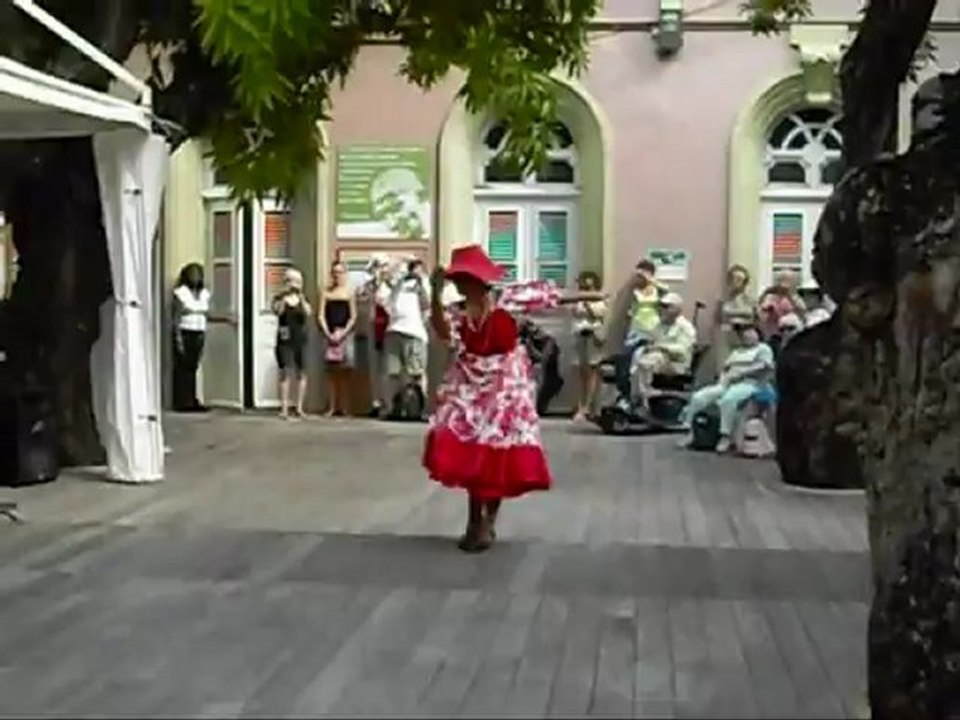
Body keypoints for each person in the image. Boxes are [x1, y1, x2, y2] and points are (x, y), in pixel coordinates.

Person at [423, 244, 602, 553]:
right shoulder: (457, 311)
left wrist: (590, 296)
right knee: (471, 454)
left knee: (498, 453)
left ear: (479, 280)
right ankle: (474, 521)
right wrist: (436, 296)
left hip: (505, 386)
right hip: (470, 385)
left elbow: (550, 296)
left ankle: (486, 522)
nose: (461, 286)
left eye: (464, 279)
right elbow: (442, 333)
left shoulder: (506, 299)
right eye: (457, 281)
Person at [681, 322, 775, 453]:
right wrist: (723, 379)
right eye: (744, 333)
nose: (747, 335)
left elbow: (765, 366)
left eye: (750, 332)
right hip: (727, 383)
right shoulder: (737, 351)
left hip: (750, 384)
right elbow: (725, 369)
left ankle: (725, 436)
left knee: (728, 400)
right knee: (699, 397)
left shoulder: (763, 349)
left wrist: (742, 372)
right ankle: (691, 431)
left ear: (757, 334)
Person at [379, 257, 430, 418]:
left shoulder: (423, 284)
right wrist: (398, 281)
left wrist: (420, 283)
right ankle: (394, 408)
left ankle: (418, 409)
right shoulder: (390, 287)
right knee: (393, 373)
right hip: (394, 331)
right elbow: (387, 305)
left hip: (414, 332)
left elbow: (427, 304)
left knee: (416, 372)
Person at [631, 292, 697, 406]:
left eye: (667, 307)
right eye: (661, 306)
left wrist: (661, 347)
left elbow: (682, 350)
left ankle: (645, 394)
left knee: (650, 360)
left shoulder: (685, 327)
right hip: (658, 360)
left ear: (677, 309)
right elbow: (651, 338)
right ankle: (635, 399)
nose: (663, 309)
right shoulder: (659, 324)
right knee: (637, 356)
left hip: (676, 363)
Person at [171, 263, 211, 413]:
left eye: (198, 274)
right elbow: (175, 317)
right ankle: (182, 401)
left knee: (194, 367)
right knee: (183, 367)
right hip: (185, 331)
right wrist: (178, 338)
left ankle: (193, 399)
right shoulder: (181, 293)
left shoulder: (204, 294)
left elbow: (207, 313)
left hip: (199, 331)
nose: (195, 277)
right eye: (192, 274)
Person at [272, 267, 311, 419]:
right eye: (289, 280)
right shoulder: (279, 298)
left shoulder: (302, 299)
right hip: (285, 338)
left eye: (295, 281)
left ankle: (299, 407)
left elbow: (308, 312)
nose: (292, 284)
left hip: (300, 338)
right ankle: (284, 408)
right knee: (285, 372)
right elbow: (278, 311)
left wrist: (300, 295)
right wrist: (283, 295)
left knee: (301, 372)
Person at [319, 260, 356, 417]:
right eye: (334, 272)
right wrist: (328, 333)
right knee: (331, 372)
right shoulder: (326, 292)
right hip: (330, 334)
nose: (337, 276)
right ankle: (332, 406)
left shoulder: (349, 292)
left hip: (345, 335)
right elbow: (320, 315)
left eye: (340, 272)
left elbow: (353, 316)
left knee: (345, 372)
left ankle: (344, 407)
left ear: (345, 274)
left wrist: (343, 332)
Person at [572, 270, 607, 420]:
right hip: (581, 335)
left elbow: (598, 315)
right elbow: (575, 312)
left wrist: (588, 305)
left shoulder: (600, 300)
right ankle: (581, 405)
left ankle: (590, 406)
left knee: (593, 371)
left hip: (593, 336)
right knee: (582, 372)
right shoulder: (578, 299)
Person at [715, 264, 757, 373]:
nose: (738, 283)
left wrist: (735, 315)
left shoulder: (750, 300)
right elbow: (721, 318)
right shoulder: (723, 300)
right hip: (728, 337)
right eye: (735, 279)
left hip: (746, 338)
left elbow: (753, 317)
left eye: (741, 280)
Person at [758, 269, 805, 342]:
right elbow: (762, 315)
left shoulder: (795, 297)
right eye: (782, 279)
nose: (785, 283)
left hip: (791, 335)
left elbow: (802, 312)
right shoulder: (770, 296)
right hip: (773, 335)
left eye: (789, 280)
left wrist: (790, 295)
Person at [627, 259, 667, 345]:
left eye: (645, 272)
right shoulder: (634, 290)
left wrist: (651, 280)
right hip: (638, 323)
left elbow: (666, 290)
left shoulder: (657, 288)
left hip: (653, 323)